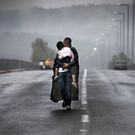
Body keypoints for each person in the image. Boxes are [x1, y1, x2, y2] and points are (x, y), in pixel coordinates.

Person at [54, 41, 74, 110]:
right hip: (61, 73)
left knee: (67, 89)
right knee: (61, 88)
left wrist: (68, 65)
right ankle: (65, 100)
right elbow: (57, 63)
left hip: (68, 72)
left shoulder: (68, 50)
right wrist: (55, 74)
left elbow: (72, 60)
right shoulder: (58, 53)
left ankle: (68, 104)